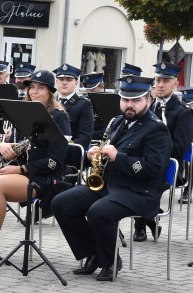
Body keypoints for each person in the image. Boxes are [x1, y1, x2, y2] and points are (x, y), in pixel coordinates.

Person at [51, 76, 171, 281]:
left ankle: (111, 261)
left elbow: (153, 168)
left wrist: (118, 156)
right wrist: (93, 156)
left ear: (148, 100)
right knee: (61, 203)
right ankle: (94, 253)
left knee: (99, 212)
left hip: (139, 191)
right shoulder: (117, 122)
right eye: (125, 100)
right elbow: (106, 156)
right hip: (111, 186)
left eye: (136, 100)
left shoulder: (156, 128)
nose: (129, 105)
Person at [0, 70, 71, 261]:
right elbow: (23, 147)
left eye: (41, 88)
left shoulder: (58, 117)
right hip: (22, 172)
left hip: (44, 178)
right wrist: (6, 146)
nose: (35, 92)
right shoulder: (27, 113)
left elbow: (54, 161)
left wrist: (20, 169)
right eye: (32, 87)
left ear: (50, 92)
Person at [134, 62, 193, 242]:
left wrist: (153, 151)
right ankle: (151, 222)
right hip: (144, 161)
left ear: (176, 83)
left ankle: (141, 227)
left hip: (167, 166)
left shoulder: (182, 112)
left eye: (166, 81)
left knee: (142, 182)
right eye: (158, 80)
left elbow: (180, 147)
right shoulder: (147, 106)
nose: (160, 85)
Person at [55, 63, 95, 149]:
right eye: (61, 79)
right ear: (56, 82)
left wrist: (62, 149)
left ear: (76, 83)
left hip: (69, 152)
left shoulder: (84, 104)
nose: (64, 83)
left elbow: (84, 137)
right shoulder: (50, 102)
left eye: (69, 80)